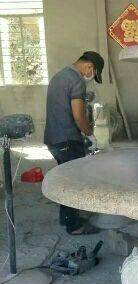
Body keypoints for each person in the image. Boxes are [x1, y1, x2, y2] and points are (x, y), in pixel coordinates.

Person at [44, 51, 104, 235]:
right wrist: (90, 134)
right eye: (93, 73)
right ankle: (75, 226)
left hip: (53, 138)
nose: (90, 76)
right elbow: (78, 116)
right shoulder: (76, 80)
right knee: (73, 182)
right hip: (67, 140)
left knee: (65, 179)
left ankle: (67, 219)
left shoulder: (59, 76)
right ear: (89, 66)